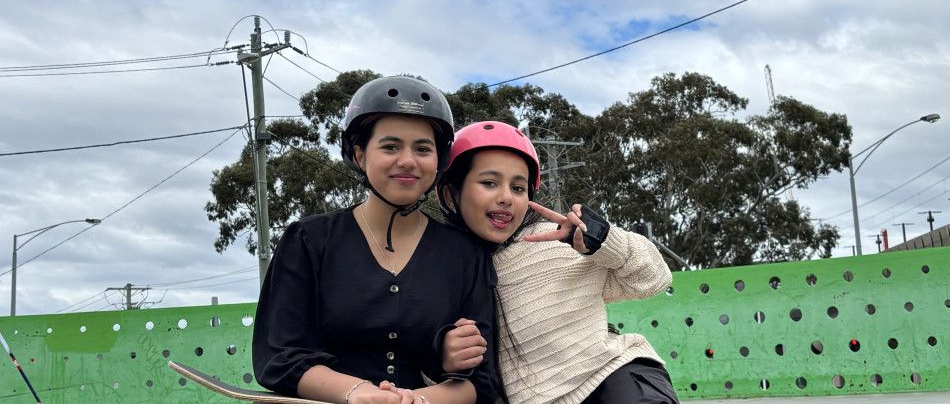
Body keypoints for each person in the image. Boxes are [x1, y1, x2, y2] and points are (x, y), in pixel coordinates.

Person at [253, 77, 499, 404]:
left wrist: (417, 400)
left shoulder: (465, 254)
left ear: (438, 161)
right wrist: (357, 392)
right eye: (390, 146)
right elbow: (278, 355)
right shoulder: (308, 242)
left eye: (423, 149)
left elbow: (481, 383)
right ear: (359, 154)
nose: (408, 161)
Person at [436, 121, 679, 404]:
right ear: (450, 193)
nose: (505, 197)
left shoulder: (556, 242)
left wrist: (604, 240)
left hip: (613, 377)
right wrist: (443, 359)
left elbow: (654, 279)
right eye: (489, 183)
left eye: (518, 188)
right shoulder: (440, 269)